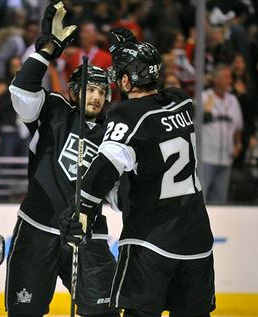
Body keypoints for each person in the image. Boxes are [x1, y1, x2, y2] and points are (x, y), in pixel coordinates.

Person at [60, 30, 216, 317]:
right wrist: (134, 51)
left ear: (127, 81)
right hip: (197, 240)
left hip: (151, 241)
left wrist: (81, 208)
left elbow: (105, 168)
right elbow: (159, 100)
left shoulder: (127, 116)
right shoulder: (182, 102)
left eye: (119, 73)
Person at [6, 2, 119, 317]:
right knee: (23, 311)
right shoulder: (54, 110)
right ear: (73, 91)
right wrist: (45, 52)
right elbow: (21, 93)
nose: (95, 96)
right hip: (37, 228)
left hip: (89, 234)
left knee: (104, 312)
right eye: (88, 88)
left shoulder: (115, 134)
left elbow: (117, 195)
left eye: (100, 90)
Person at [201, 64, 243, 203]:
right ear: (216, 79)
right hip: (205, 158)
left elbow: (237, 126)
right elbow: (194, 125)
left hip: (226, 158)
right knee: (201, 199)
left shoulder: (233, 100)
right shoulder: (204, 97)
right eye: (226, 77)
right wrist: (205, 112)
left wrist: (238, 144)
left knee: (219, 201)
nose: (230, 80)